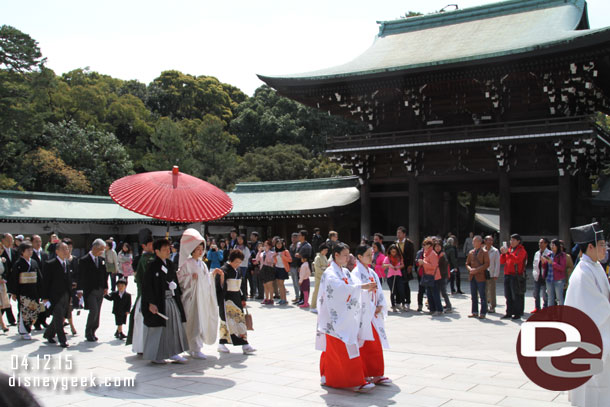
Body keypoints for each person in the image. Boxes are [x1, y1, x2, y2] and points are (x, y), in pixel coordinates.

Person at [316, 243, 377, 392]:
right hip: (334, 318)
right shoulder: (330, 273)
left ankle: (329, 376)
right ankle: (353, 380)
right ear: (336, 255)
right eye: (344, 255)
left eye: (348, 255)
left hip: (344, 316)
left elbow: (353, 286)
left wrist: (363, 287)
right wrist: (361, 287)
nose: (348, 258)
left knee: (334, 350)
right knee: (341, 350)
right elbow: (338, 290)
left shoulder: (345, 272)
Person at [564, 222, 610, 407]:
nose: (605, 248)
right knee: (590, 388)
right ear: (590, 247)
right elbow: (594, 309)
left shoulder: (595, 266)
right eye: (601, 244)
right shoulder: (583, 273)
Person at [141, 238, 188, 364]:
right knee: (158, 329)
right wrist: (150, 302)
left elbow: (174, 280)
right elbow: (147, 286)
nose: (168, 251)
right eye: (164, 249)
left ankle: (174, 352)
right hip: (158, 301)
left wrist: (174, 287)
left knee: (174, 326)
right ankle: (155, 355)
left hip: (170, 299)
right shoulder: (152, 266)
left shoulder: (170, 264)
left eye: (169, 248)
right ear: (157, 251)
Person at [176, 228, 221, 360]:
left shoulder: (202, 264)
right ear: (192, 250)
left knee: (200, 321)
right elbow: (180, 279)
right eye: (197, 249)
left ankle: (196, 347)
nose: (200, 251)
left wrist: (212, 275)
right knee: (193, 322)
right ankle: (193, 348)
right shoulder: (187, 263)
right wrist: (190, 277)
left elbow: (206, 279)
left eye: (202, 249)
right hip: (192, 298)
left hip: (201, 298)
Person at [352, 245, 391, 385]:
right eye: (368, 255)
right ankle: (366, 374)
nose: (371, 257)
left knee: (376, 344)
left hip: (373, 313)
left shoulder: (372, 272)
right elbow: (356, 292)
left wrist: (380, 303)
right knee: (366, 344)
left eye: (371, 254)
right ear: (360, 257)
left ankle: (377, 373)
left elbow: (379, 289)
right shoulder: (355, 273)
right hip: (364, 314)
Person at [215, 249, 256, 355]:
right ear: (231, 259)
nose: (238, 264)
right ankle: (222, 343)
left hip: (236, 296)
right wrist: (222, 279)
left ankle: (244, 344)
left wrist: (243, 298)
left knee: (240, 321)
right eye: (237, 261)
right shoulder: (224, 270)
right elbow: (219, 286)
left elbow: (241, 286)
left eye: (240, 262)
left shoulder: (238, 271)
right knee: (227, 322)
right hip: (227, 299)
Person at [8, 241, 43, 340]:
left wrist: (41, 290)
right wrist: (14, 292)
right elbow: (14, 278)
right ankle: (24, 330)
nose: (30, 252)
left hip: (34, 289)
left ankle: (29, 328)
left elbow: (39, 277)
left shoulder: (34, 262)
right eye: (28, 250)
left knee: (34, 310)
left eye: (31, 250)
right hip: (23, 290)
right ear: (22, 252)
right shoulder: (18, 263)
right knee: (24, 311)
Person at [42, 242, 73, 347]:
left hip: (66, 295)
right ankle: (62, 340)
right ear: (57, 251)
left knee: (59, 317)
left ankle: (48, 334)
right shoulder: (50, 264)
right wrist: (45, 298)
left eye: (67, 249)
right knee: (59, 317)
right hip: (54, 296)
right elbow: (45, 282)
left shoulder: (67, 263)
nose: (66, 251)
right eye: (63, 249)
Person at [126, 235, 154, 353]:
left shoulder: (152, 257)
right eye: (151, 244)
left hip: (149, 293)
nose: (153, 246)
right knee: (141, 321)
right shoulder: (144, 259)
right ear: (144, 246)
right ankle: (141, 347)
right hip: (145, 294)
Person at [77, 239, 108, 342]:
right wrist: (80, 290)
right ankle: (88, 331)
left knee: (98, 311)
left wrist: (105, 287)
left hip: (100, 289)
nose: (102, 252)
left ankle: (94, 330)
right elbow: (80, 276)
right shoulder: (84, 260)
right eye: (101, 249)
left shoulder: (100, 260)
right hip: (90, 290)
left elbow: (104, 274)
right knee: (93, 310)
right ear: (95, 248)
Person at [500, 234, 527, 320]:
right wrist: (503, 254)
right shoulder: (510, 249)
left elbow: (517, 260)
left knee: (516, 295)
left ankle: (517, 313)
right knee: (508, 295)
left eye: (513, 240)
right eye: (511, 240)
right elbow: (502, 261)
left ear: (518, 241)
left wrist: (508, 253)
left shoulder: (521, 250)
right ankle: (509, 312)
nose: (511, 242)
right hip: (507, 274)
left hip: (516, 275)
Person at [466, 236, 490, 319]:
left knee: (482, 295)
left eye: (475, 241)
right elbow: (467, 263)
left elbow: (487, 264)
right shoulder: (471, 252)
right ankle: (474, 311)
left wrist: (477, 270)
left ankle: (483, 312)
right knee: (473, 295)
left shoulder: (484, 252)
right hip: (472, 276)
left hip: (481, 276)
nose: (473, 243)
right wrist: (470, 269)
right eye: (473, 241)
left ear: (480, 242)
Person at [419, 238, 443, 316]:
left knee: (435, 293)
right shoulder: (426, 253)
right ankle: (432, 309)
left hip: (434, 276)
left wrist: (424, 263)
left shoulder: (432, 253)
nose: (424, 246)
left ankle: (439, 309)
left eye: (425, 244)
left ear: (430, 245)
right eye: (423, 244)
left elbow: (434, 266)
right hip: (428, 276)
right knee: (429, 294)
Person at [395, 226, 414, 311]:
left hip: (406, 267)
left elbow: (411, 256)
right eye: (397, 233)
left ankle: (407, 302)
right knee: (397, 285)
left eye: (399, 233)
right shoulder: (395, 243)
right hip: (397, 267)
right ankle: (398, 301)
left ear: (404, 234)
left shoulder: (409, 243)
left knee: (406, 285)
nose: (398, 234)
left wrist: (410, 265)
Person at [543, 239, 566, 306]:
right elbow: (546, 267)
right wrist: (543, 263)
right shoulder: (549, 255)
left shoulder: (562, 255)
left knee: (559, 298)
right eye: (551, 245)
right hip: (549, 279)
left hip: (558, 279)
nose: (552, 246)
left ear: (557, 246)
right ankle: (551, 314)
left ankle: (561, 314)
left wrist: (552, 263)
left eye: (554, 245)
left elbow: (562, 268)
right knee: (550, 298)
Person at [1, 233, 17, 326]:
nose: (11, 242)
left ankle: (9, 320)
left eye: (12, 240)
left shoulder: (14, 251)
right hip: (3, 280)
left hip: (12, 280)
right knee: (5, 300)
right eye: (8, 240)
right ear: (3, 240)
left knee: (6, 300)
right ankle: (10, 320)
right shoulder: (0, 251)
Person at [382, 245, 404, 313]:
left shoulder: (399, 257)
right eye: (392, 251)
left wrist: (398, 267)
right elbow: (383, 265)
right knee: (392, 291)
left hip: (398, 275)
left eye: (395, 251)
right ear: (390, 251)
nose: (393, 252)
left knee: (400, 290)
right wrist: (389, 265)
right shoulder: (387, 258)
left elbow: (402, 265)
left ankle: (403, 304)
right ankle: (393, 306)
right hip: (391, 276)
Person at [531, 238, 551, 313]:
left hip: (545, 276)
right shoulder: (536, 253)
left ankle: (545, 307)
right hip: (537, 275)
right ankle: (537, 307)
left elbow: (550, 264)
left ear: (546, 244)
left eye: (542, 243)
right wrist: (534, 273)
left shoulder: (549, 253)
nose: (540, 244)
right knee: (536, 293)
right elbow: (534, 264)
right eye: (539, 243)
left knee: (545, 294)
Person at [310, 243, 329, 313]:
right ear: (321, 250)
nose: (326, 252)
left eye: (327, 250)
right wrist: (325, 272)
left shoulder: (324, 257)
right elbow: (317, 269)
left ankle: (321, 306)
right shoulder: (317, 258)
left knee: (324, 292)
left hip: (325, 276)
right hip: (319, 277)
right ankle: (312, 306)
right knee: (317, 291)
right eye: (325, 250)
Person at [295, 230, 313, 305]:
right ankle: (301, 298)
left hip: (304, 266)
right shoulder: (299, 244)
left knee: (304, 284)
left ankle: (305, 300)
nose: (298, 237)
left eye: (299, 235)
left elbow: (308, 257)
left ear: (303, 236)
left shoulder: (307, 246)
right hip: (299, 265)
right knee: (301, 284)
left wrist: (300, 256)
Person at [434, 241, 452, 312]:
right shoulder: (436, 254)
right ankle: (440, 305)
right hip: (437, 275)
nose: (437, 248)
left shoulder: (442, 255)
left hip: (443, 276)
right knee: (438, 291)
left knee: (443, 292)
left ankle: (449, 306)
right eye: (436, 246)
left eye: (439, 246)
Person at [484, 235, 500, 313]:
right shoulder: (482, 250)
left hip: (491, 272)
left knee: (492, 290)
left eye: (491, 240)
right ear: (485, 241)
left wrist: (496, 274)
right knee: (484, 290)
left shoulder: (495, 251)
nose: (490, 242)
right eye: (488, 240)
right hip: (483, 273)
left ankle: (492, 306)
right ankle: (485, 305)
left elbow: (497, 263)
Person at [257, 240, 276, 305]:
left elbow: (271, 261)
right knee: (265, 285)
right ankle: (266, 298)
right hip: (262, 269)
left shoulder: (272, 253)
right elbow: (257, 259)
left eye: (267, 245)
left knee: (269, 285)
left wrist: (267, 253)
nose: (265, 246)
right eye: (264, 245)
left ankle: (271, 299)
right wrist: (259, 251)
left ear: (270, 246)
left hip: (269, 269)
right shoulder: (262, 253)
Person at [273, 239, 292, 305]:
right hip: (277, 268)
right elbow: (275, 261)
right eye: (277, 244)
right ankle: (282, 299)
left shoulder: (286, 251)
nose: (278, 245)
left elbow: (290, 260)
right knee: (279, 285)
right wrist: (274, 257)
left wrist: (283, 256)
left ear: (282, 244)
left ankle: (284, 299)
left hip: (283, 269)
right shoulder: (275, 252)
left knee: (281, 284)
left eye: (280, 244)